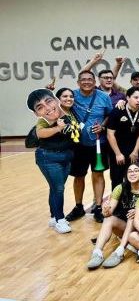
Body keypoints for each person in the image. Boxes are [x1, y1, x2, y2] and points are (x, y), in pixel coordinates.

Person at [28, 88, 80, 234]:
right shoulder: (43, 120)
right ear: (36, 113)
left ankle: (53, 217)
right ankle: (60, 220)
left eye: (49, 101)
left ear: (56, 100)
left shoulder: (66, 113)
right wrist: (58, 128)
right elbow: (40, 133)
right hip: (48, 158)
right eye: (40, 107)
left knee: (55, 188)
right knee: (58, 189)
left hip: (66, 157)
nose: (47, 108)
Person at [66, 70, 113, 223]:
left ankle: (98, 207)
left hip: (99, 143)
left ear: (94, 82)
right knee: (78, 176)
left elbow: (110, 115)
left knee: (98, 174)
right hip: (78, 144)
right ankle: (78, 207)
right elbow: (59, 105)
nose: (86, 82)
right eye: (83, 79)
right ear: (78, 82)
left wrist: (103, 126)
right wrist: (50, 92)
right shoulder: (71, 95)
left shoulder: (104, 97)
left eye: (89, 79)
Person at [86, 162, 139, 269]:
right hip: (124, 228)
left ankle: (119, 252)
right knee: (109, 219)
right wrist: (106, 209)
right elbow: (108, 212)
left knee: (132, 216)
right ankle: (97, 253)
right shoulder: (120, 188)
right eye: (129, 171)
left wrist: (138, 211)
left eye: (136, 171)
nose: (132, 173)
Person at [106, 87, 139, 189]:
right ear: (127, 98)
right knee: (117, 179)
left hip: (134, 151)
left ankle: (133, 198)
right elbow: (110, 134)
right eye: (135, 97)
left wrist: (135, 151)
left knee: (135, 178)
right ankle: (117, 199)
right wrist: (118, 154)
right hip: (118, 150)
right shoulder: (117, 111)